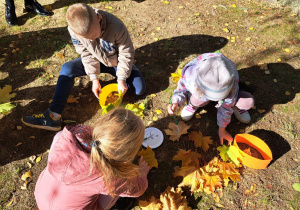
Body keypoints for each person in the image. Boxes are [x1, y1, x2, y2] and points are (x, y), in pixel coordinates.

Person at [22, 3, 146, 131]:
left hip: (116, 62)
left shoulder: (116, 26)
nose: (92, 40)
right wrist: (94, 78)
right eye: (88, 38)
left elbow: (126, 53)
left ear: (98, 19)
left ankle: (122, 74)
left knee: (139, 89)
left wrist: (121, 79)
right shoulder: (74, 29)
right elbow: (85, 53)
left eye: (94, 35)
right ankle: (53, 116)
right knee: (67, 69)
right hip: (94, 61)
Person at [35, 108, 150, 209]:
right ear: (126, 154)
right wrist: (142, 174)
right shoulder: (111, 176)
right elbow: (137, 189)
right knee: (111, 191)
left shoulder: (64, 136)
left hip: (41, 195)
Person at [167, 53, 254, 145]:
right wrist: (176, 101)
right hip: (199, 84)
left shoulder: (231, 83)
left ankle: (235, 107)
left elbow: (225, 108)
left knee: (247, 102)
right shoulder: (190, 75)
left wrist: (222, 129)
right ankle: (193, 105)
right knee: (198, 100)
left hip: (229, 89)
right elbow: (181, 89)